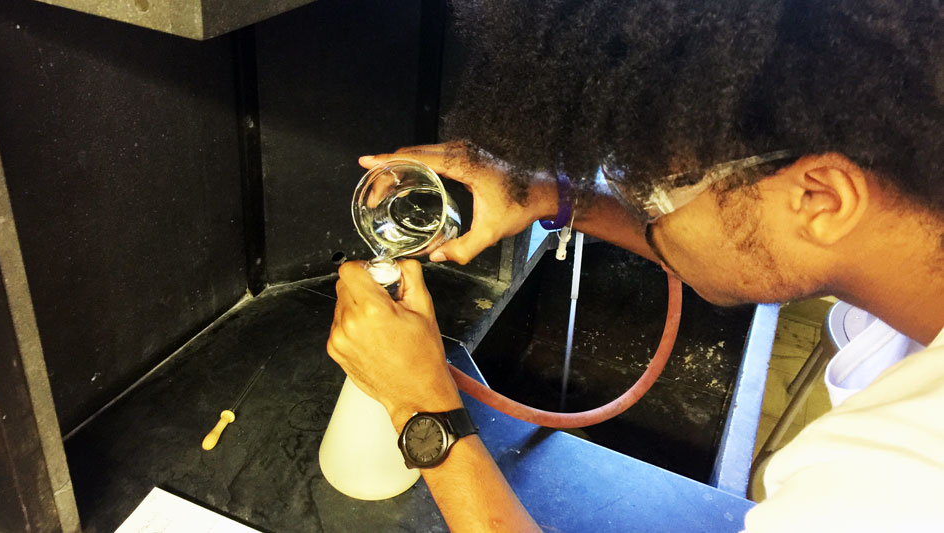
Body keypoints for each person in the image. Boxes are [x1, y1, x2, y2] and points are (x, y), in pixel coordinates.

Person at [327, 1, 944, 531]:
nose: (645, 212)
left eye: (653, 192)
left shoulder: (895, 481)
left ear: (821, 199)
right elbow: (730, 247)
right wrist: (549, 194)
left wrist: (422, 411)